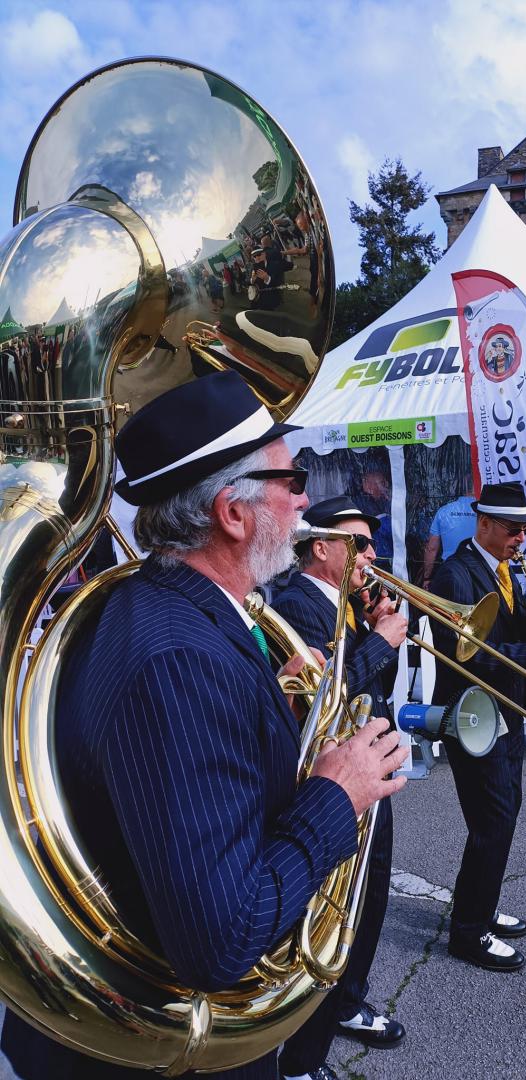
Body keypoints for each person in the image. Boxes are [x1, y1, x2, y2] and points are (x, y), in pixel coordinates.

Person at [1, 371, 408, 1080]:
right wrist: (336, 794)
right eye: (293, 477)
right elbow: (222, 942)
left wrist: (267, 707)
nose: (305, 497)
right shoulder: (178, 662)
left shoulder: (161, 608)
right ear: (234, 513)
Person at [271, 496, 408, 1080]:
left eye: (372, 544)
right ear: (320, 547)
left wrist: (381, 634)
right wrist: (378, 640)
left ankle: (347, 1002)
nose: (371, 555)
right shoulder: (297, 605)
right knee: (333, 914)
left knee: (370, 898)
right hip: (328, 781)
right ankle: (303, 1060)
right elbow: (317, 692)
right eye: (359, 543)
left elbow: (375, 683)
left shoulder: (345, 603)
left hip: (368, 766)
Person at [429, 482, 526, 972]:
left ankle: (482, 905)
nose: (521, 539)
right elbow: (460, 656)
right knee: (493, 821)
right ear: (484, 523)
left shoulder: (504, 569)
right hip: (475, 715)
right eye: (514, 530)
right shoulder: (455, 576)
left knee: (503, 814)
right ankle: (468, 933)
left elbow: (501, 629)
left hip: (505, 712)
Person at [422, 489, 476, 587]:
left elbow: (431, 549)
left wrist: (427, 577)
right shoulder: (484, 513)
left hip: (450, 572)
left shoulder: (444, 511)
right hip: (478, 572)